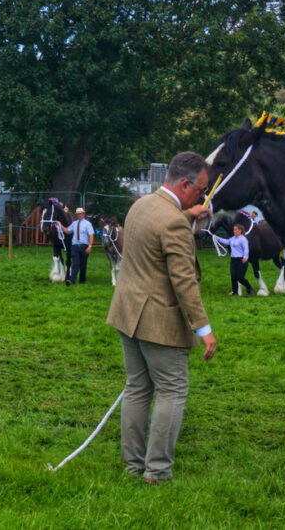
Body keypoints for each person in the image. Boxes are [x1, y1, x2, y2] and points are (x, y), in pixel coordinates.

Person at [106, 151, 216, 484]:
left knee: (137, 388)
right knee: (172, 391)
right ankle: (157, 471)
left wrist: (187, 218)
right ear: (184, 184)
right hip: (160, 322)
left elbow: (161, 235)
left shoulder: (141, 205)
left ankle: (134, 465)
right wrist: (204, 329)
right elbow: (184, 282)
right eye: (200, 191)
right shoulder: (173, 221)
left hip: (128, 314)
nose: (202, 197)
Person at [213, 224, 254, 296]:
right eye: (234, 229)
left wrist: (245, 257)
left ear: (240, 231)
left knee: (240, 278)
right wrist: (217, 238)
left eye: (235, 229)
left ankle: (250, 288)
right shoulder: (233, 238)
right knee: (233, 277)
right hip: (233, 260)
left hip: (241, 260)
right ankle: (235, 292)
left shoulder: (243, 239)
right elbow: (226, 241)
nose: (234, 231)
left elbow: (246, 249)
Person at [58, 207, 94, 284]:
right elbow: (67, 231)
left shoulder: (88, 224)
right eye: (77, 214)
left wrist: (90, 246)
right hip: (75, 246)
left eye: (80, 214)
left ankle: (82, 281)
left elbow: (91, 235)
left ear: (83, 214)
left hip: (84, 246)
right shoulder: (74, 223)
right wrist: (60, 225)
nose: (79, 215)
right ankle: (72, 280)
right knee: (75, 263)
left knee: (83, 265)